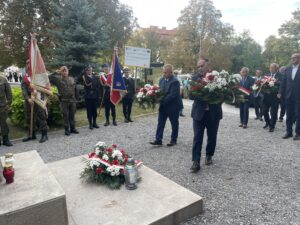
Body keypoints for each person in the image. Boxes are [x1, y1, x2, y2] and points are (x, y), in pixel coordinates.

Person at [189, 58, 222, 173]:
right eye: (198, 66)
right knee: (197, 138)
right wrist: (203, 95)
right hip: (199, 113)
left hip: (214, 113)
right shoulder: (194, 78)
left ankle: (209, 155)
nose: (200, 68)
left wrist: (215, 97)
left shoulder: (217, 78)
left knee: (212, 136)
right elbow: (191, 96)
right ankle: (196, 162)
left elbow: (222, 95)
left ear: (208, 65)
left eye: (202, 65)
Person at [150, 64, 183, 146]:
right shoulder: (161, 79)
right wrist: (154, 96)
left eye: (165, 73)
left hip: (173, 106)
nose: (163, 74)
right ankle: (158, 140)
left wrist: (160, 100)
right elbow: (159, 91)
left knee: (174, 123)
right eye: (163, 72)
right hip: (163, 106)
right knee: (160, 123)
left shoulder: (175, 81)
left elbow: (172, 95)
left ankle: (173, 140)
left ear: (171, 72)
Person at [21, 60, 49, 143]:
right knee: (28, 118)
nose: (28, 65)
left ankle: (44, 135)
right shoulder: (25, 77)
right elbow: (24, 89)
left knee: (41, 117)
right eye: (27, 63)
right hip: (29, 101)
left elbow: (44, 86)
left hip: (38, 99)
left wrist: (37, 91)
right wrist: (28, 98)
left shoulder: (38, 76)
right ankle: (31, 135)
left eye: (30, 63)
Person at [49, 66, 79, 135]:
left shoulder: (72, 79)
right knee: (65, 116)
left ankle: (73, 128)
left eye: (66, 71)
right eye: (63, 71)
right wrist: (55, 72)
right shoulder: (58, 79)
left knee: (72, 115)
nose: (65, 72)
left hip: (72, 100)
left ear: (68, 72)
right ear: (61, 72)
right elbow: (49, 78)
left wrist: (77, 99)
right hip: (64, 101)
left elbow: (75, 89)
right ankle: (66, 129)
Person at [280, 53, 300, 140]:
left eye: (295, 58)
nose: (293, 59)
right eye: (292, 58)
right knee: (288, 115)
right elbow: (283, 82)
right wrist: (280, 92)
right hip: (288, 96)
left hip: (299, 96)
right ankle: (289, 132)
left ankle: (298, 133)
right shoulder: (287, 69)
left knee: (298, 115)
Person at [262, 63, 282, 132]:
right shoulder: (267, 75)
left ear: (276, 68)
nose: (271, 69)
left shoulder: (280, 75)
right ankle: (267, 122)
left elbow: (282, 84)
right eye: (270, 67)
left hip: (275, 97)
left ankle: (272, 126)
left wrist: (275, 82)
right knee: (264, 111)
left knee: (273, 112)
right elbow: (263, 84)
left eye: (272, 68)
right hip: (266, 96)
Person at [0, 76, 13, 146]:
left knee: (4, 123)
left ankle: (6, 140)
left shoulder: (3, 79)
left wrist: (9, 103)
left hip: (2, 107)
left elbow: (9, 92)